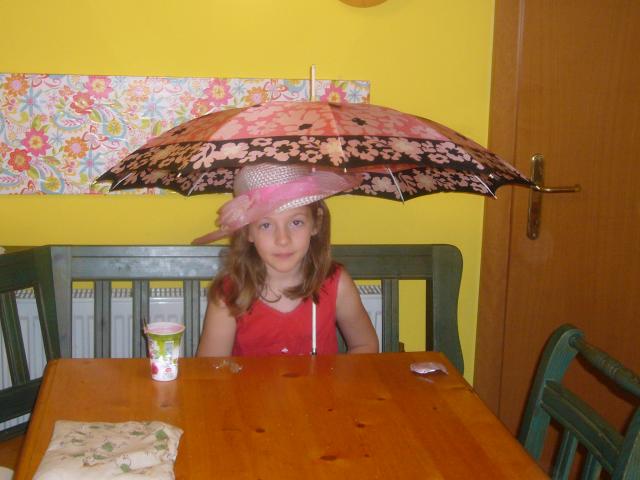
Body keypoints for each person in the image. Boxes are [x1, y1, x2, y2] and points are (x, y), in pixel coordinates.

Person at [195, 162, 379, 357]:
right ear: (248, 232)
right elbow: (209, 367)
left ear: (316, 223)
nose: (283, 239)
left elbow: (366, 345)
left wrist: (340, 376)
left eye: (296, 222)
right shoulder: (229, 295)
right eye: (266, 225)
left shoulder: (337, 284)